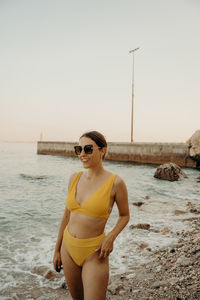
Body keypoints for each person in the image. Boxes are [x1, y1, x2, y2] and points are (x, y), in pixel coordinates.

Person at [53, 131, 129, 300]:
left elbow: (124, 216)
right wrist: (57, 249)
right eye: (78, 149)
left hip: (95, 252)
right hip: (68, 248)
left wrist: (110, 237)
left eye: (88, 149)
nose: (82, 154)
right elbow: (66, 216)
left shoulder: (116, 182)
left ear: (102, 150)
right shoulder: (74, 178)